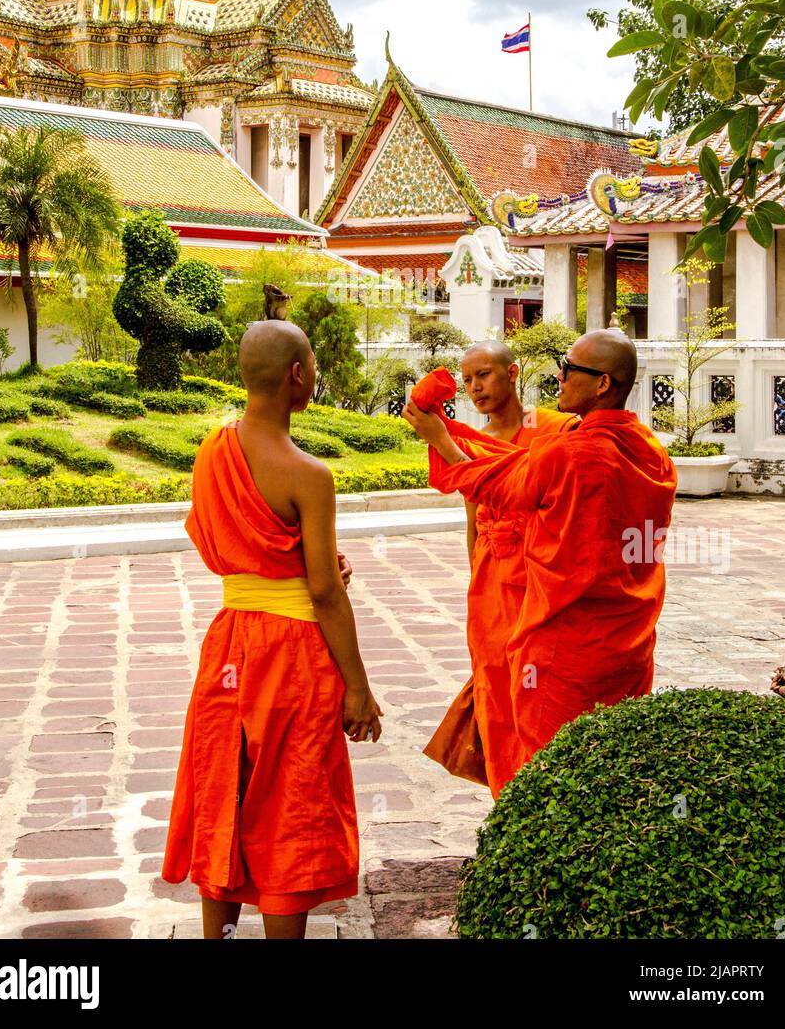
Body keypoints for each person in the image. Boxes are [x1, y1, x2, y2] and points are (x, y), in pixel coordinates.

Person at [162, 321, 382, 941]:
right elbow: (322, 591)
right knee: (291, 804)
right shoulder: (309, 475)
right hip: (292, 654)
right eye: (312, 362)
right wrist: (358, 687)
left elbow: (216, 542)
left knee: (224, 790)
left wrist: (289, 564)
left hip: (229, 642)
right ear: (298, 375)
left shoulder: (212, 449)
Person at [405, 328, 676, 768]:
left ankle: (528, 827)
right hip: (623, 632)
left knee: (546, 762)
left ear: (603, 383)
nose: (559, 377)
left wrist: (440, 439)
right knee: (608, 756)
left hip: (562, 630)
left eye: (568, 369)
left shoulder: (569, 448)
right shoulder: (651, 451)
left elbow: (492, 482)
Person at [424, 341, 578, 797]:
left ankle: (543, 801)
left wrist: (443, 443)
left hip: (539, 572)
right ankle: (507, 802)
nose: (475, 388)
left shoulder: (555, 429)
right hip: (492, 582)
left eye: (485, 375)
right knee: (495, 693)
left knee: (539, 693)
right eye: (467, 380)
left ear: (513, 374)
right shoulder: (471, 439)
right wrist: (476, 575)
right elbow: (473, 515)